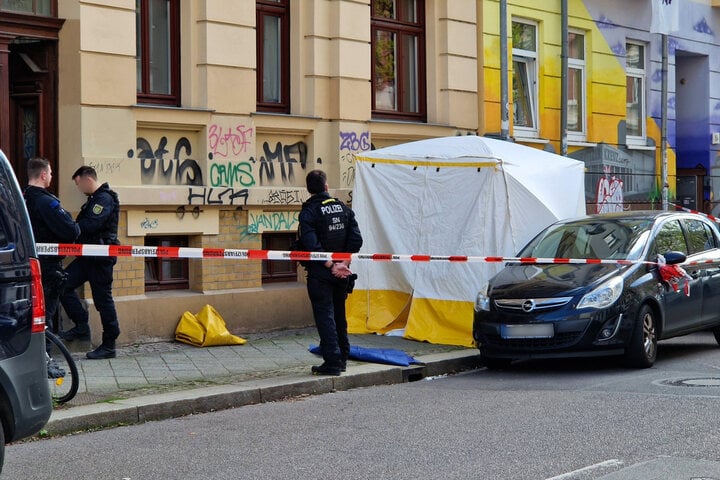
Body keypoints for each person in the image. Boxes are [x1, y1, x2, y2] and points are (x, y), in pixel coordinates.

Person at [298, 170, 363, 376]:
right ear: (326, 187)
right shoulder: (343, 208)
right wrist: (342, 263)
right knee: (339, 315)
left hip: (321, 274)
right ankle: (343, 357)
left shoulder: (309, 212)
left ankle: (333, 361)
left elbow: (310, 244)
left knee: (325, 316)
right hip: (342, 274)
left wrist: (330, 265)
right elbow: (356, 240)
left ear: (309, 190)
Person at [59, 166, 121, 360]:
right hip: (87, 257)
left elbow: (92, 224)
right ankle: (81, 325)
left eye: (78, 184)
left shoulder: (104, 199)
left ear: (87, 180)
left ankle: (109, 344)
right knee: (63, 285)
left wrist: (71, 228)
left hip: (100, 258)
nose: (79, 189)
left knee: (103, 301)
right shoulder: (94, 200)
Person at [23, 158, 80, 334]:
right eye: (50, 173)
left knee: (29, 314)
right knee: (44, 314)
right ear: (43, 175)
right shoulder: (46, 202)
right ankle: (45, 358)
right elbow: (71, 231)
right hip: (47, 267)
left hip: (24, 264)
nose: (51, 176)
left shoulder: (20, 199)